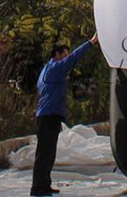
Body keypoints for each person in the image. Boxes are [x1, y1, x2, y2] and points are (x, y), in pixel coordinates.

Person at [30, 33, 99, 197]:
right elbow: (74, 57)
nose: (66, 59)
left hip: (48, 116)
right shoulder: (55, 68)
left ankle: (44, 185)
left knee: (48, 154)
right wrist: (91, 42)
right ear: (58, 55)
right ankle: (38, 187)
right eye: (64, 55)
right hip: (48, 116)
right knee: (44, 155)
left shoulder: (46, 70)